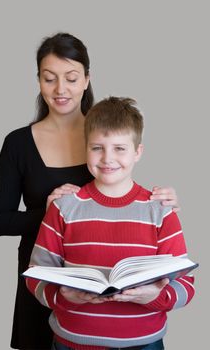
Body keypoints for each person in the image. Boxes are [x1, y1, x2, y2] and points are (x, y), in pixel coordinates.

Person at [0, 32, 180, 350]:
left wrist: (162, 200)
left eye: (72, 78)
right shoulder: (17, 143)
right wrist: (48, 213)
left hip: (106, 278)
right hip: (45, 275)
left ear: (87, 79)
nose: (61, 89)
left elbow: (123, 192)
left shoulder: (104, 132)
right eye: (50, 79)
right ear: (38, 81)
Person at [26, 96, 195, 350]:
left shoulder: (160, 210)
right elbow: (35, 276)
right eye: (97, 148)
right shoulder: (64, 207)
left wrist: (157, 297)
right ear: (86, 149)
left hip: (144, 343)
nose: (107, 158)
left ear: (137, 152)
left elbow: (186, 284)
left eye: (119, 148)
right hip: (71, 341)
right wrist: (60, 296)